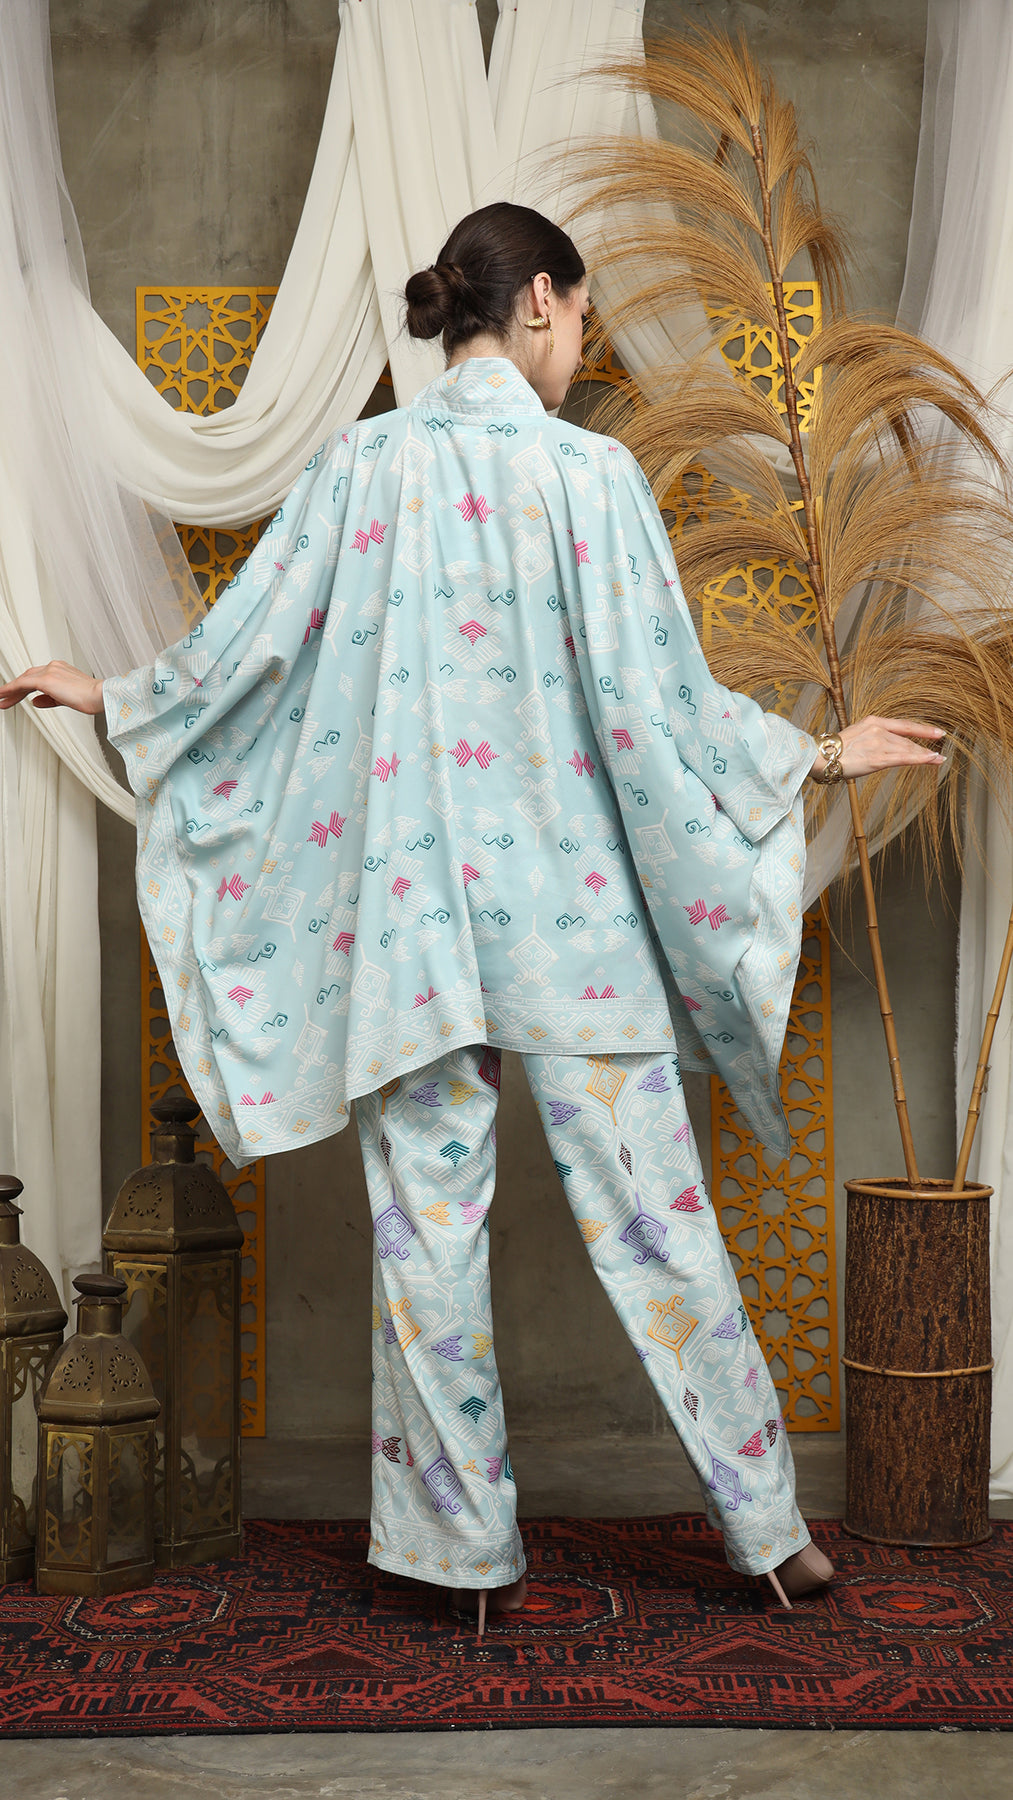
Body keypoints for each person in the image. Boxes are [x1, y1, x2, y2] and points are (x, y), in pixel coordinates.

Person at [0, 202, 945, 1630]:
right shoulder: (589, 477)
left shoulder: (361, 466)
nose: (585, 347)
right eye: (585, 318)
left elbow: (251, 647)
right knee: (660, 1227)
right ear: (545, 301)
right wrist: (816, 753)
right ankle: (771, 1536)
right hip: (574, 933)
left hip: (413, 939)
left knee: (424, 1240)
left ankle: (458, 1564)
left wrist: (119, 697)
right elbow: (662, 708)